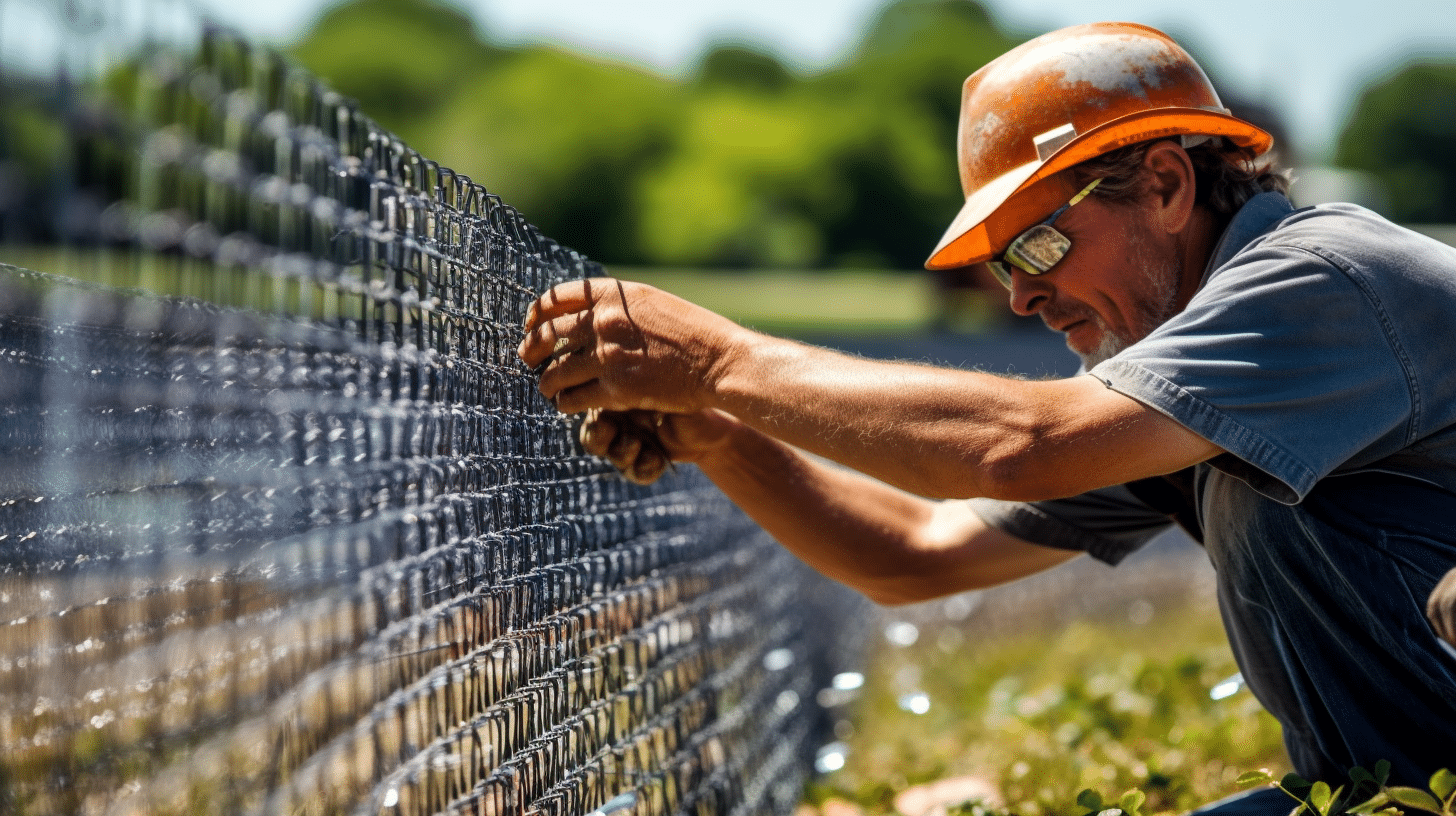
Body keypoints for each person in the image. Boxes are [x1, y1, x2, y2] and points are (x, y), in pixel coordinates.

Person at [517, 22, 1456, 808]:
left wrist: (721, 362)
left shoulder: (1321, 281)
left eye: (1041, 244)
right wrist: (724, 434)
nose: (1022, 298)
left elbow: (1022, 446)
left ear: (1167, 186)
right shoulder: (1187, 384)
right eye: (1005, 264)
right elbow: (918, 551)